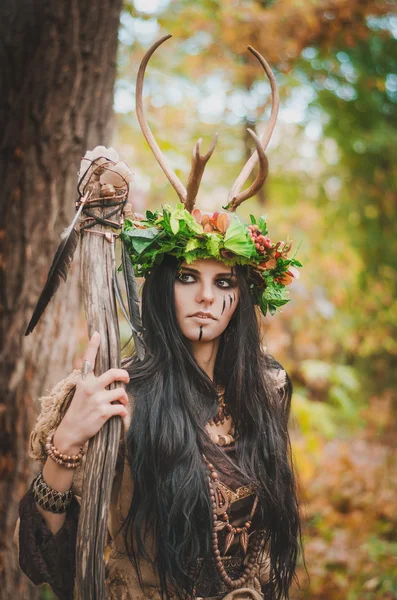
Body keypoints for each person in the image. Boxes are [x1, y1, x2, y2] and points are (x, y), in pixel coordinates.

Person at [16, 37, 303, 600]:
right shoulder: (120, 395)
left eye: (224, 282)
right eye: (187, 277)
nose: (205, 296)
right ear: (162, 287)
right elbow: (44, 559)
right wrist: (67, 444)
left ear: (243, 298)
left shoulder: (267, 387)